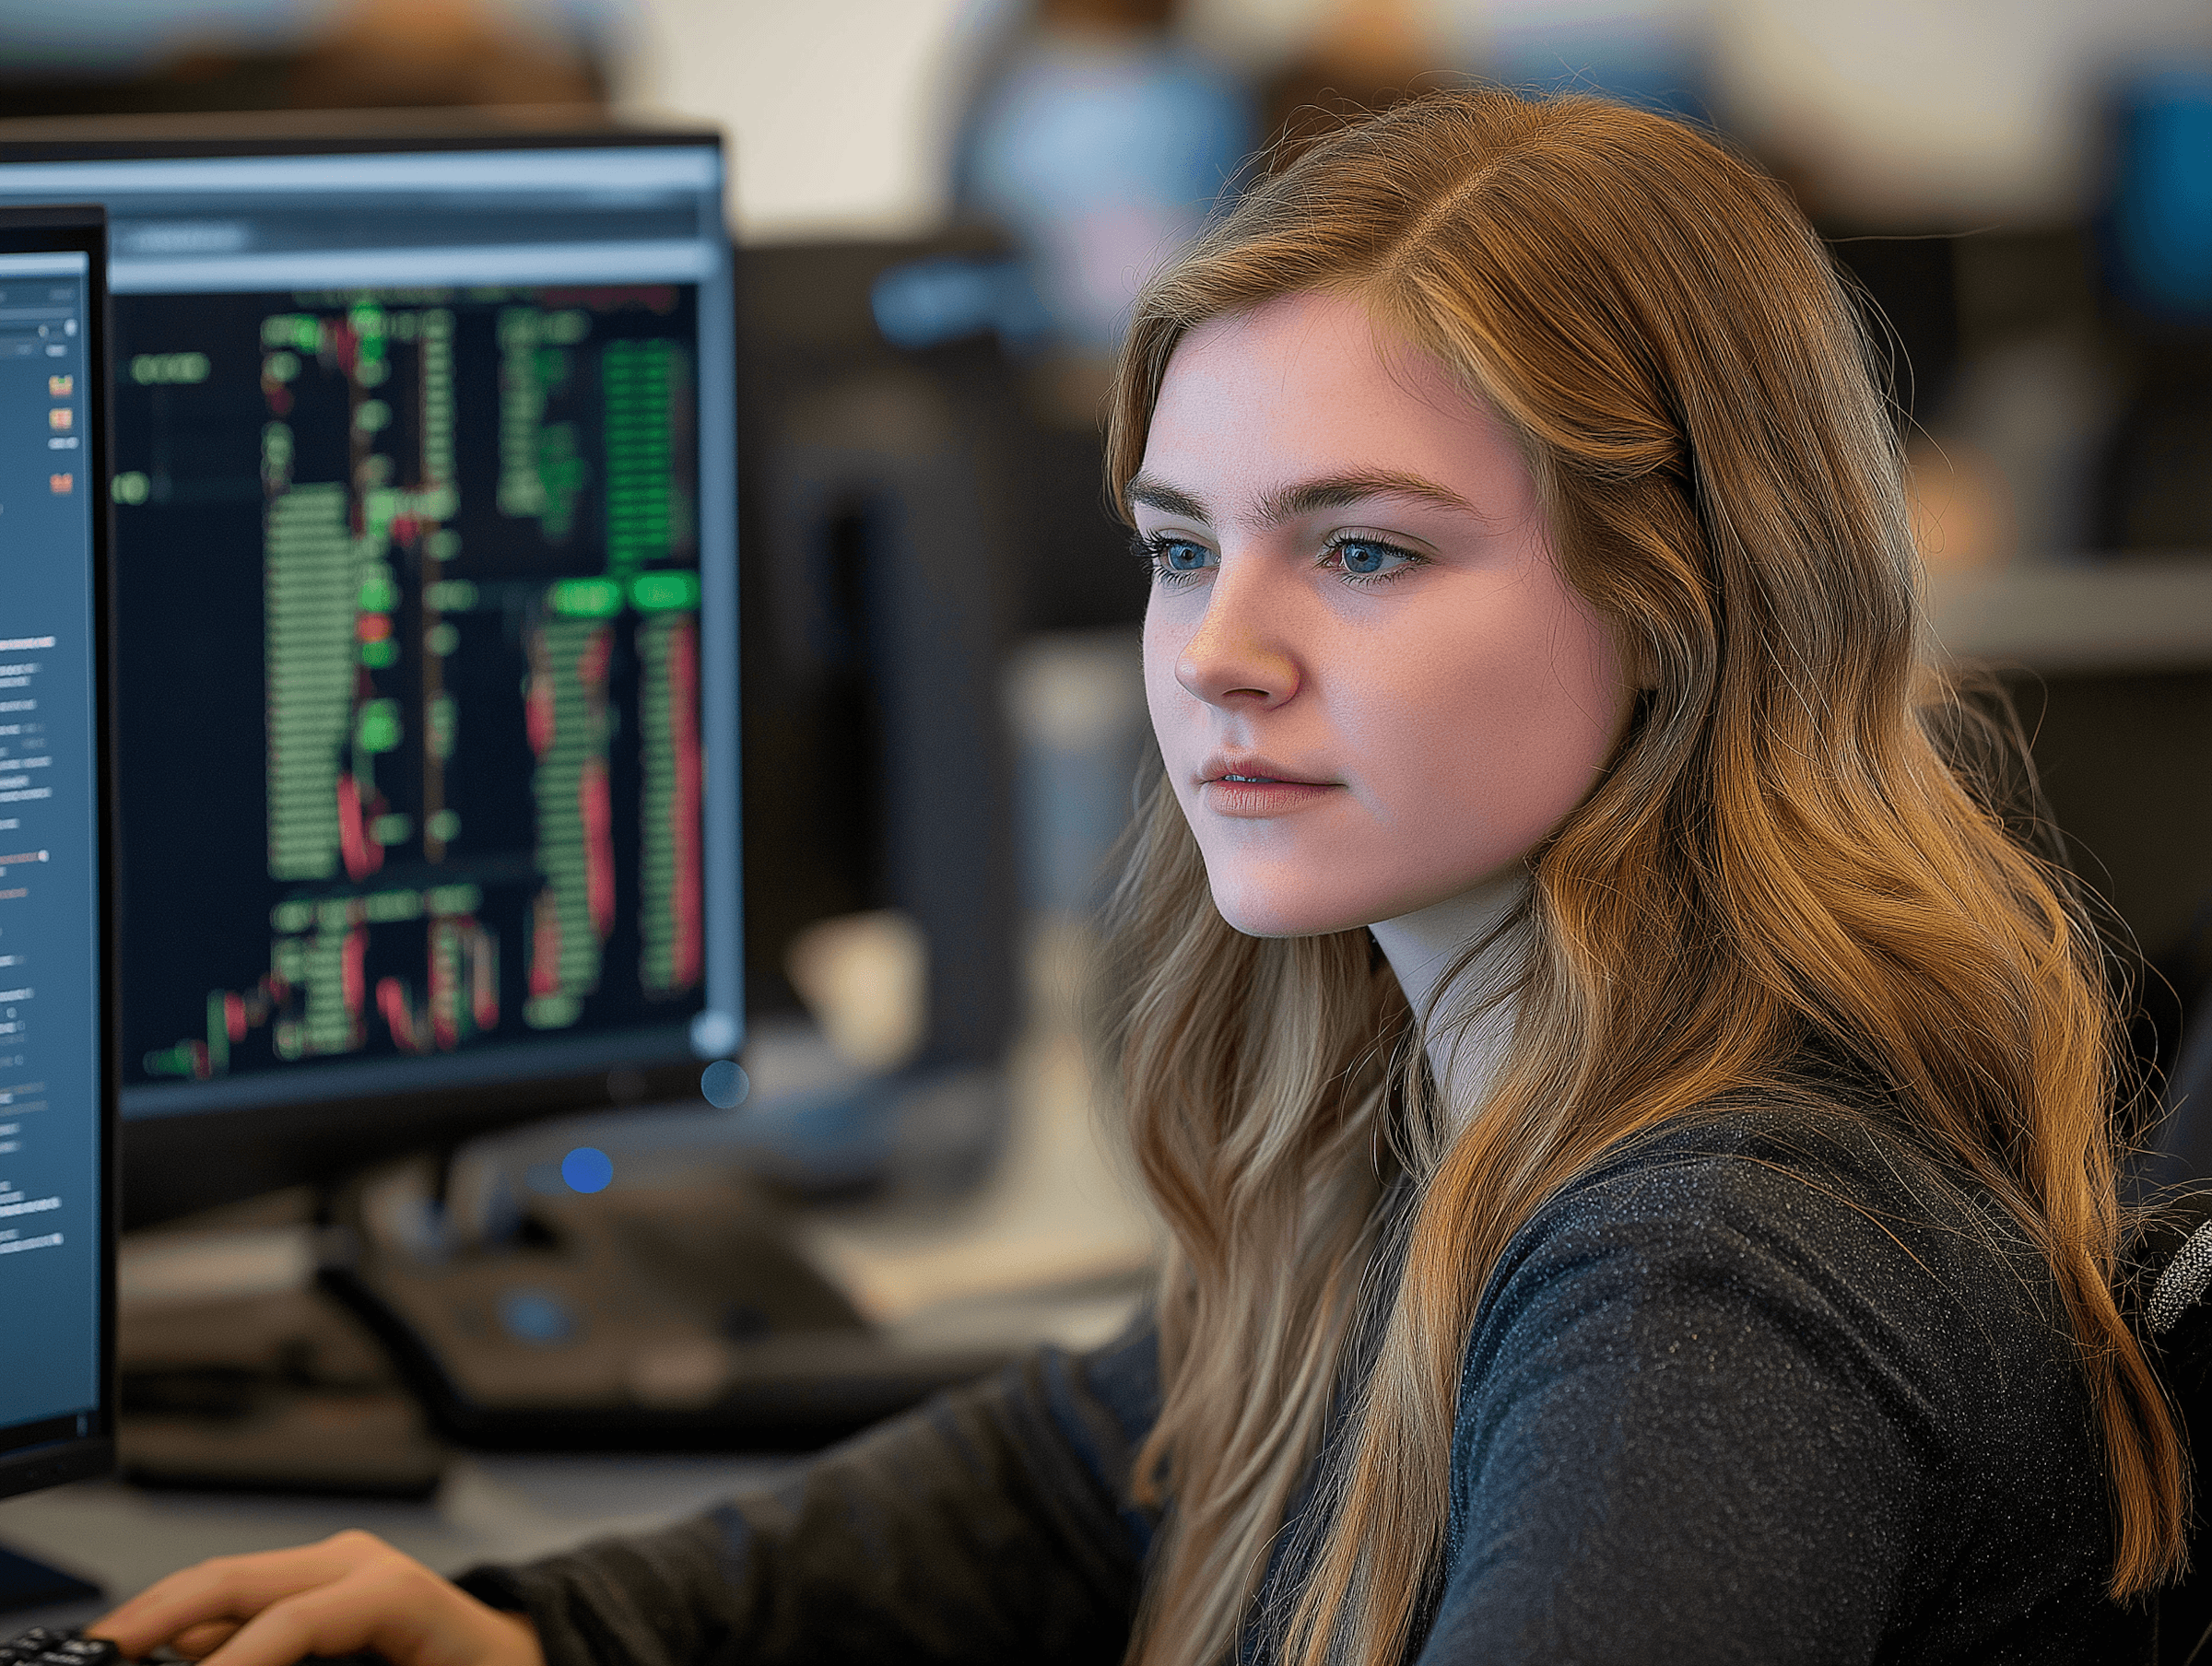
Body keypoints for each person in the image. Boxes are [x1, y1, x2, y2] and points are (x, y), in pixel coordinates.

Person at [91, 88, 2183, 1666]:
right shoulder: (1447, 1085)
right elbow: (1075, 1471)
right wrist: (554, 1633)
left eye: (1362, 548)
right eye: (1186, 541)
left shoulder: (1714, 1252)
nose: (1216, 650)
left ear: (1690, 605)